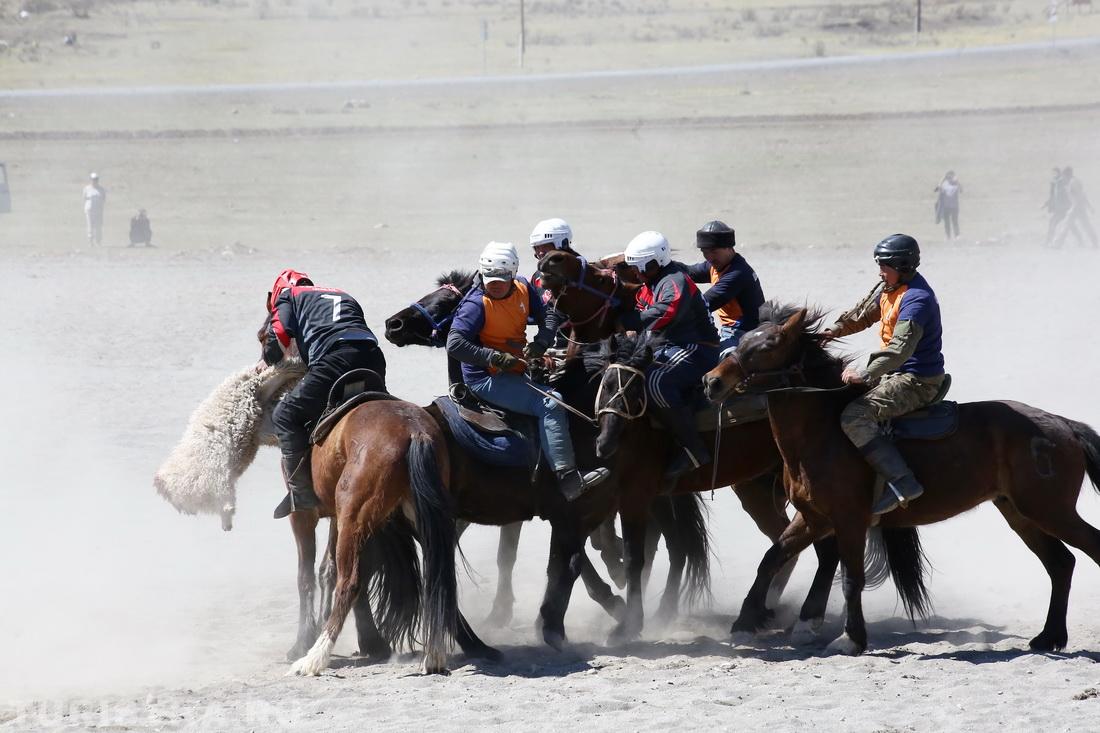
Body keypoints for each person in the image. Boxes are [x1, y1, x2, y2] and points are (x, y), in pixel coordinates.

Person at [446, 241, 609, 501]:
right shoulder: (475, 305)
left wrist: (542, 341)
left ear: (513, 273)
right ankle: (568, 478)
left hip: (517, 369)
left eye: (501, 278)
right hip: (486, 377)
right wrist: (494, 357)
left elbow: (551, 314)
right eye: (489, 278)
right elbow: (454, 344)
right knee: (551, 404)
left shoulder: (523, 287)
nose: (495, 284)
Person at [822, 234, 946, 515]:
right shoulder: (890, 288)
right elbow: (864, 315)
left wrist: (864, 374)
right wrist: (833, 331)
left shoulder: (917, 300)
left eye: (884, 265)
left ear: (902, 265)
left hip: (916, 381)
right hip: (894, 374)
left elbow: (899, 350)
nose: (879, 271)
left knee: (855, 416)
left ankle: (903, 482)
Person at [261, 269, 387, 519]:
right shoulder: (342, 294)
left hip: (334, 359)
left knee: (285, 415)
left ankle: (300, 493)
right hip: (373, 358)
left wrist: (269, 358)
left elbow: (280, 334)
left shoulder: (289, 296)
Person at [619, 231, 720, 478]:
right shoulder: (649, 284)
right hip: (669, 346)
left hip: (698, 348)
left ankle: (693, 450)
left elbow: (664, 313)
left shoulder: (675, 280)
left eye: (643, 267)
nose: (638, 273)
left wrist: (626, 321)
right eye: (635, 268)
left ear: (658, 260)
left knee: (655, 381)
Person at [685, 220, 764, 355]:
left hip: (746, 333)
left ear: (729, 247)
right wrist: (665, 266)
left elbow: (704, 304)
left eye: (714, 251)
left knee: (717, 363)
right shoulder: (716, 265)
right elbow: (687, 271)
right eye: (704, 251)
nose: (709, 257)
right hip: (728, 329)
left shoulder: (737, 273)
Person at [528, 217, 578, 350]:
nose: (540, 252)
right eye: (537, 247)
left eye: (545, 246)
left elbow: (558, 313)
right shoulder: (537, 278)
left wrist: (543, 341)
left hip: (584, 345)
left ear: (562, 244)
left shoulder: (581, 275)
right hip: (552, 345)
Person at [1055, 167, 1099, 248]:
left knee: (1067, 224)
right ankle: (1095, 242)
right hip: (1078, 207)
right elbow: (1082, 195)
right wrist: (1089, 207)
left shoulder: (1074, 182)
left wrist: (1088, 207)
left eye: (1063, 176)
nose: (1063, 178)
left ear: (1066, 175)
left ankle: (1057, 244)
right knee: (1085, 225)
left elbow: (1081, 195)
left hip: (1076, 207)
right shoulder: (1073, 182)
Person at [1043, 168, 1070, 247]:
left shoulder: (1061, 184)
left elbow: (1068, 195)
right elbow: (1053, 197)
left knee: (1053, 223)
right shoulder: (1055, 184)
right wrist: (1046, 204)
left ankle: (1050, 242)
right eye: (1053, 173)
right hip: (1060, 208)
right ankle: (1049, 241)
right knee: (1069, 225)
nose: (1054, 175)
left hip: (1063, 209)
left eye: (1055, 173)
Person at [934, 171, 961, 241]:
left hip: (955, 207)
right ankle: (948, 236)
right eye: (948, 176)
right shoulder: (944, 184)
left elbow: (961, 190)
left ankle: (957, 236)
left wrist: (957, 181)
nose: (950, 178)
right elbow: (936, 189)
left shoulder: (956, 184)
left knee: (955, 221)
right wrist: (943, 179)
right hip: (946, 207)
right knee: (947, 223)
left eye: (951, 176)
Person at [83, 172, 105, 246]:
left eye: (96, 179)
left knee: (98, 226)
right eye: (93, 179)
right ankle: (90, 242)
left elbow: (103, 199)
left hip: (98, 210)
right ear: (90, 180)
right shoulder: (86, 189)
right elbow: (84, 198)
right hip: (89, 210)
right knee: (90, 226)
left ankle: (98, 241)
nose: (94, 181)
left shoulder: (101, 189)